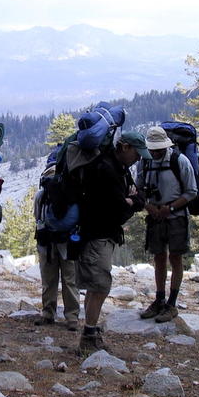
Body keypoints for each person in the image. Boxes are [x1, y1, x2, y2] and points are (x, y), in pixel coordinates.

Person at [74, 132, 148, 355]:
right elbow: (120, 208)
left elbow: (135, 200)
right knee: (100, 285)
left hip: (99, 235)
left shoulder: (116, 168)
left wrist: (131, 200)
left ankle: (91, 331)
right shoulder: (107, 169)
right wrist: (130, 200)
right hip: (97, 236)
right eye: (136, 153)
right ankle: (88, 336)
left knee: (96, 286)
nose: (138, 159)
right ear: (124, 147)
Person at [136, 127, 198, 323]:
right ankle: (160, 299)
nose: (155, 152)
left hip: (176, 216)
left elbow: (191, 191)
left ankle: (172, 303)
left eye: (157, 149)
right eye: (152, 149)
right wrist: (148, 206)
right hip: (155, 217)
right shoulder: (145, 162)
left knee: (176, 258)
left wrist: (169, 209)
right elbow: (137, 190)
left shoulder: (179, 161)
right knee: (159, 257)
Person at [33, 155, 80, 331]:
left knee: (49, 279)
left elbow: (37, 217)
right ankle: (72, 317)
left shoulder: (42, 193)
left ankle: (48, 312)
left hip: (47, 242)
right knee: (70, 280)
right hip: (69, 241)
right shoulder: (72, 190)